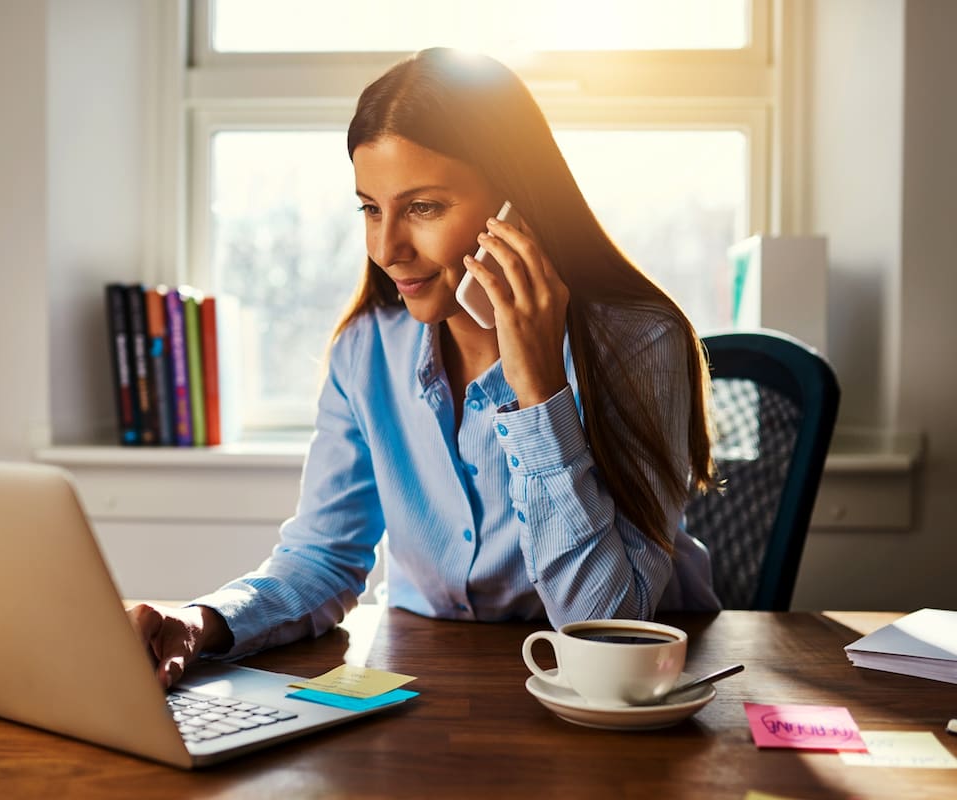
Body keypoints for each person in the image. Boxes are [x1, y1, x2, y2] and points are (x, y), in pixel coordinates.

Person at [129, 47, 721, 687]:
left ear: (516, 206)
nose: (387, 248)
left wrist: (539, 392)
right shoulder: (366, 350)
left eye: (424, 208)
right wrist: (202, 621)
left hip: (619, 695)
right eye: (370, 208)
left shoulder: (638, 344)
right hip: (424, 681)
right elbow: (323, 558)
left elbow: (607, 628)